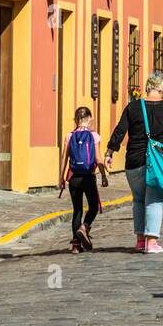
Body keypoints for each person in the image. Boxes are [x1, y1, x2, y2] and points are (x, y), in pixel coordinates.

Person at [105, 72, 163, 255]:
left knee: (138, 199)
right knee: (154, 200)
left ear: (147, 87)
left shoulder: (133, 107)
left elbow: (120, 131)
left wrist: (109, 152)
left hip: (134, 162)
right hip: (159, 162)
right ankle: (151, 242)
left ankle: (140, 240)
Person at [59, 106, 103, 253]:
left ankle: (76, 246)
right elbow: (97, 158)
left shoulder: (69, 136)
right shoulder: (94, 136)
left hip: (74, 179)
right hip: (89, 177)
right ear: (89, 118)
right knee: (93, 207)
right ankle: (84, 227)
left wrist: (61, 177)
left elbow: (64, 158)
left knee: (77, 209)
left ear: (76, 119)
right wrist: (103, 174)